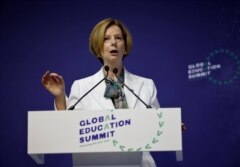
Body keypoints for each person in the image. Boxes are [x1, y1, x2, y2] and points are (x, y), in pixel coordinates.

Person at [42, 18, 160, 167]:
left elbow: (157, 127)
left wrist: (170, 127)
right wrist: (60, 97)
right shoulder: (81, 86)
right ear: (98, 48)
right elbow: (68, 131)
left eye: (118, 38)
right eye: (106, 39)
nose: (113, 43)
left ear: (126, 46)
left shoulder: (146, 85)